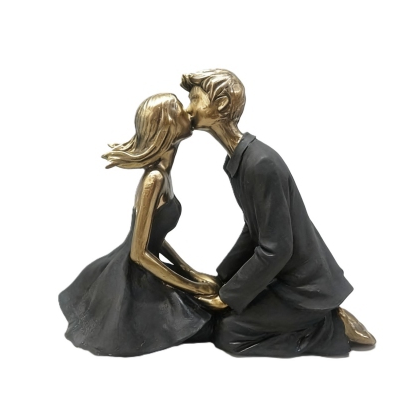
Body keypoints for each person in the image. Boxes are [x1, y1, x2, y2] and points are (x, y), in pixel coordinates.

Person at [181, 69, 376, 357]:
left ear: (220, 104)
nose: (188, 108)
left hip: (303, 287)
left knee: (229, 333)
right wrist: (224, 278)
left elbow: (276, 249)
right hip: (281, 277)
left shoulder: (260, 163)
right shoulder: (240, 160)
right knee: (223, 319)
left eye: (195, 99)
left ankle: (332, 327)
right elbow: (253, 229)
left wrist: (228, 296)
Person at [59, 93, 219, 357]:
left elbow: (153, 238)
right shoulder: (154, 180)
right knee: (205, 322)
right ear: (168, 125)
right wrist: (192, 287)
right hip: (137, 280)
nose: (188, 113)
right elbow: (138, 253)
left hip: (151, 268)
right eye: (180, 109)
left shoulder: (163, 174)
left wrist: (190, 271)